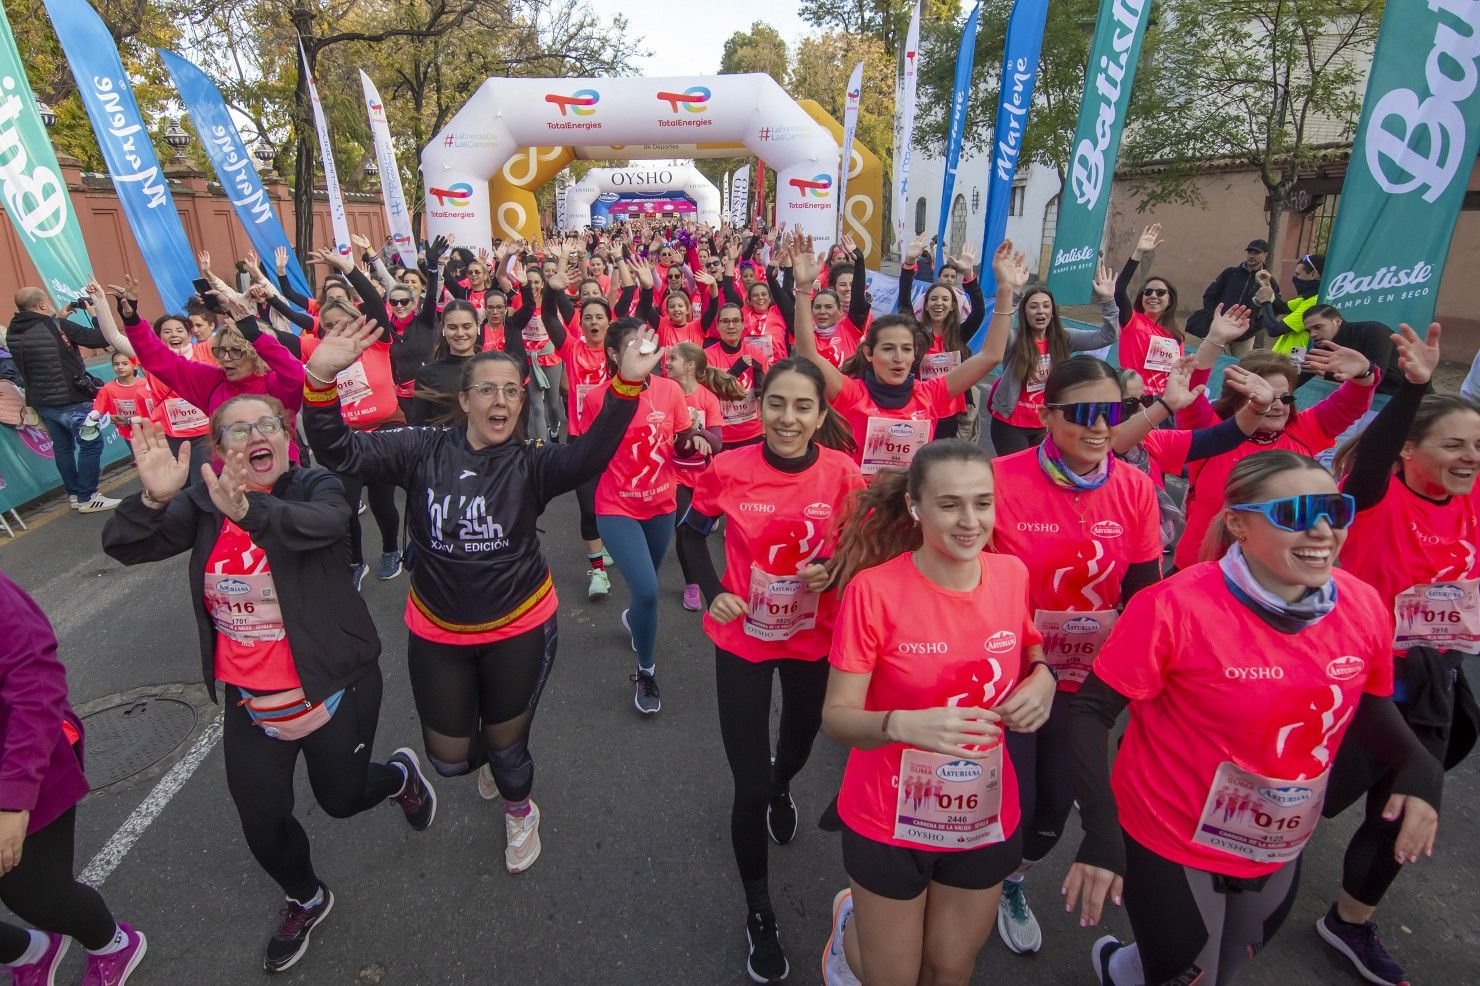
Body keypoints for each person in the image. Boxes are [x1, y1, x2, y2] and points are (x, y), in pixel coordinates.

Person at [1063, 450, 1443, 986]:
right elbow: (1089, 711)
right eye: (1294, 513)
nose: (1322, 530)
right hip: (1170, 831)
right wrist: (1100, 831)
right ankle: (1129, 967)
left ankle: (1125, 969)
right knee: (1192, 974)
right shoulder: (1173, 606)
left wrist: (1418, 766)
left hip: (1277, 838)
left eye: (1334, 510)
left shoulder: (1362, 605)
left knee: (1232, 964)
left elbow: (1369, 706)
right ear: (1238, 524)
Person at [302, 313, 664, 870]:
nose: (502, 401)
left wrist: (626, 386)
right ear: (465, 399)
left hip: (519, 625)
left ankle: (521, 810)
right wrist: (320, 380)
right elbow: (340, 452)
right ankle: (486, 755)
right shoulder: (422, 449)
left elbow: (590, 454)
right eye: (488, 390)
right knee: (449, 761)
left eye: (512, 391)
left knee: (507, 750)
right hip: (437, 629)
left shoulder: (531, 464)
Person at [101, 401, 437, 974]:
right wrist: (154, 500)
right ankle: (306, 898)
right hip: (251, 700)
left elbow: (328, 524)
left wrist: (249, 510)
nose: (256, 434)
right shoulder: (203, 504)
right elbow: (126, 546)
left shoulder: (315, 486)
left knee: (342, 800)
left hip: (335, 685)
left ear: (286, 438)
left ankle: (399, 777)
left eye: (268, 425)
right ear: (218, 449)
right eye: (239, 428)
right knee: (261, 821)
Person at [819, 439, 1055, 986]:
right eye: (949, 505)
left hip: (982, 811)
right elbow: (836, 717)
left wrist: (1045, 676)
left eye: (982, 503)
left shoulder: (1011, 574)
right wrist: (900, 723)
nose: (970, 521)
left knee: (949, 968)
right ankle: (850, 927)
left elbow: (1029, 644)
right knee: (893, 978)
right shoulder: (873, 592)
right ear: (915, 507)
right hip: (887, 816)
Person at [676, 358, 863, 983]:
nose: (787, 418)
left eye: (802, 406)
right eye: (776, 403)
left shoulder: (843, 473)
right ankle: (760, 911)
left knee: (800, 745)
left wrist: (835, 568)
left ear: (820, 414)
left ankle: (786, 785)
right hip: (744, 639)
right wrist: (712, 591)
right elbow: (691, 534)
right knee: (748, 787)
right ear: (759, 406)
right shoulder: (728, 467)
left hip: (812, 636)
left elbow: (860, 544)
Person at [985, 355, 1164, 956]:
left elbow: (1143, 593)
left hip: (1086, 682)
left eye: (1112, 411)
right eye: (1084, 413)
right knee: (1012, 804)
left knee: (1052, 815)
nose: (1101, 426)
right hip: (1009, 672)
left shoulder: (1135, 489)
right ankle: (970, 886)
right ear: (1046, 416)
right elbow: (969, 581)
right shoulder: (999, 479)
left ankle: (1012, 882)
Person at [1319, 322, 1479, 986]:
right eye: (1454, 445)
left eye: (1478, 446)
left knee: (1401, 806)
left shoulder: (1472, 501)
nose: (1470, 457)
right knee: (1302, 799)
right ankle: (1236, 879)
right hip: (1353, 680)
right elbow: (1377, 453)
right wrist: (1414, 387)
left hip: (1432, 681)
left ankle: (1350, 920)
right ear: (1410, 450)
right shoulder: (1374, 498)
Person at [0, 570, 147, 985]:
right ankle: (28, 953)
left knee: (39, 897)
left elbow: (37, 690)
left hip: (22, 767)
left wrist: (13, 802)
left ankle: (113, 944)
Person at [1172, 310, 1378, 574]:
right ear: (1237, 398)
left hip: (1279, 576)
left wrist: (1364, 374)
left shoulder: (1304, 430)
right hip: (1201, 572)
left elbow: (1350, 404)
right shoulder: (1210, 433)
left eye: (1286, 398)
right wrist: (1214, 340)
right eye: (1264, 395)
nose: (1277, 405)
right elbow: (1190, 389)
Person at [794, 238, 1016, 477]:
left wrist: (1005, 289)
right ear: (869, 353)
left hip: (912, 499)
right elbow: (808, 355)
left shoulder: (930, 394)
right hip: (860, 498)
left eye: (907, 349)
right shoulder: (851, 393)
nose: (898, 358)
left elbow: (992, 355)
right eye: (888, 349)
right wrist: (804, 288)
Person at [581, 318, 706, 714]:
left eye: (648, 346)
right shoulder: (598, 397)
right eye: (634, 347)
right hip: (616, 507)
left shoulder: (670, 390)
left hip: (662, 505)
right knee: (650, 590)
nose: (644, 354)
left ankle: (634, 618)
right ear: (614, 354)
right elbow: (587, 454)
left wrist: (698, 440)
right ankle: (646, 671)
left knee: (643, 592)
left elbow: (682, 438)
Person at [6, 286, 120, 512]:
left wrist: (59, 322)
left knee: (63, 448)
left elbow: (45, 344)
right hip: (72, 399)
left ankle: (75, 494)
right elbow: (101, 339)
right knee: (91, 443)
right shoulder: (57, 326)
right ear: (41, 304)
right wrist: (95, 315)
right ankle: (88, 496)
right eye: (47, 301)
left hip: (42, 402)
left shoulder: (13, 332)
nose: (50, 303)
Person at [988, 264, 1120, 455]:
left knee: (1046, 471)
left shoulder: (1064, 338)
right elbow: (998, 334)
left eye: (1045, 306)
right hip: (1011, 424)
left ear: (1052, 311)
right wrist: (1014, 294)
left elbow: (1108, 336)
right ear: (1025, 312)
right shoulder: (1014, 338)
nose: (1040, 311)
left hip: (1047, 424)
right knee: (1019, 473)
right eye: (1033, 306)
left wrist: (1107, 300)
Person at [666, 341, 732, 612]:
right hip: (675, 475)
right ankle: (692, 584)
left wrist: (697, 431)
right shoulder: (666, 394)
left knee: (698, 532)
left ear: (690, 366)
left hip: (705, 478)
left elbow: (717, 444)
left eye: (673, 359)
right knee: (683, 530)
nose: (667, 363)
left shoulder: (707, 399)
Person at [1114, 223, 1185, 397]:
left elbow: (1177, 372)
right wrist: (1138, 253)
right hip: (1133, 398)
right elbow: (1119, 291)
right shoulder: (1132, 321)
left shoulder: (1176, 335)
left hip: (1163, 402)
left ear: (1170, 300)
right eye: (1147, 292)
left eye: (1160, 292)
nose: (1153, 295)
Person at [1298, 305, 1404, 395]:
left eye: (1318, 327)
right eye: (1308, 331)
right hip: (1369, 400)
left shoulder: (1374, 331)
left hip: (1401, 397)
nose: (1313, 334)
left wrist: (1329, 374)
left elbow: (1377, 376)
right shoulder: (1323, 345)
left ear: (1337, 321)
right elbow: (1297, 379)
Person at [1188, 238, 1271, 351]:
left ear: (1265, 254)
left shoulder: (1268, 281)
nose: (1251, 256)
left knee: (1241, 362)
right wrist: (1214, 317)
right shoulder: (1230, 273)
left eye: (1256, 253)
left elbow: (1272, 308)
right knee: (1211, 360)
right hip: (1220, 331)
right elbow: (1209, 295)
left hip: (1244, 337)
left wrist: (1253, 327)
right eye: (1249, 252)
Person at [409, 301, 482, 426]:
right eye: (453, 327)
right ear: (443, 329)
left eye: (466, 327)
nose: (460, 333)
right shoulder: (427, 373)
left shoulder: (492, 368)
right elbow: (419, 427)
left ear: (477, 327)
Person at [1258, 253, 1323, 357]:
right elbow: (1282, 307)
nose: (1294, 279)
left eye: (1298, 274)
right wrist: (1267, 286)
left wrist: (1265, 301)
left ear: (1314, 274)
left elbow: (1274, 329)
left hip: (1293, 361)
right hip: (1286, 358)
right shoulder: (1309, 298)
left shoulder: (1314, 303)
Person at [86, 352, 156, 442]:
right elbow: (98, 409)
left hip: (151, 431)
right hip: (128, 434)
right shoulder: (108, 388)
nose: (120, 367)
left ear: (135, 365)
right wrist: (91, 418)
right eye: (116, 364)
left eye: (125, 364)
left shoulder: (146, 384)